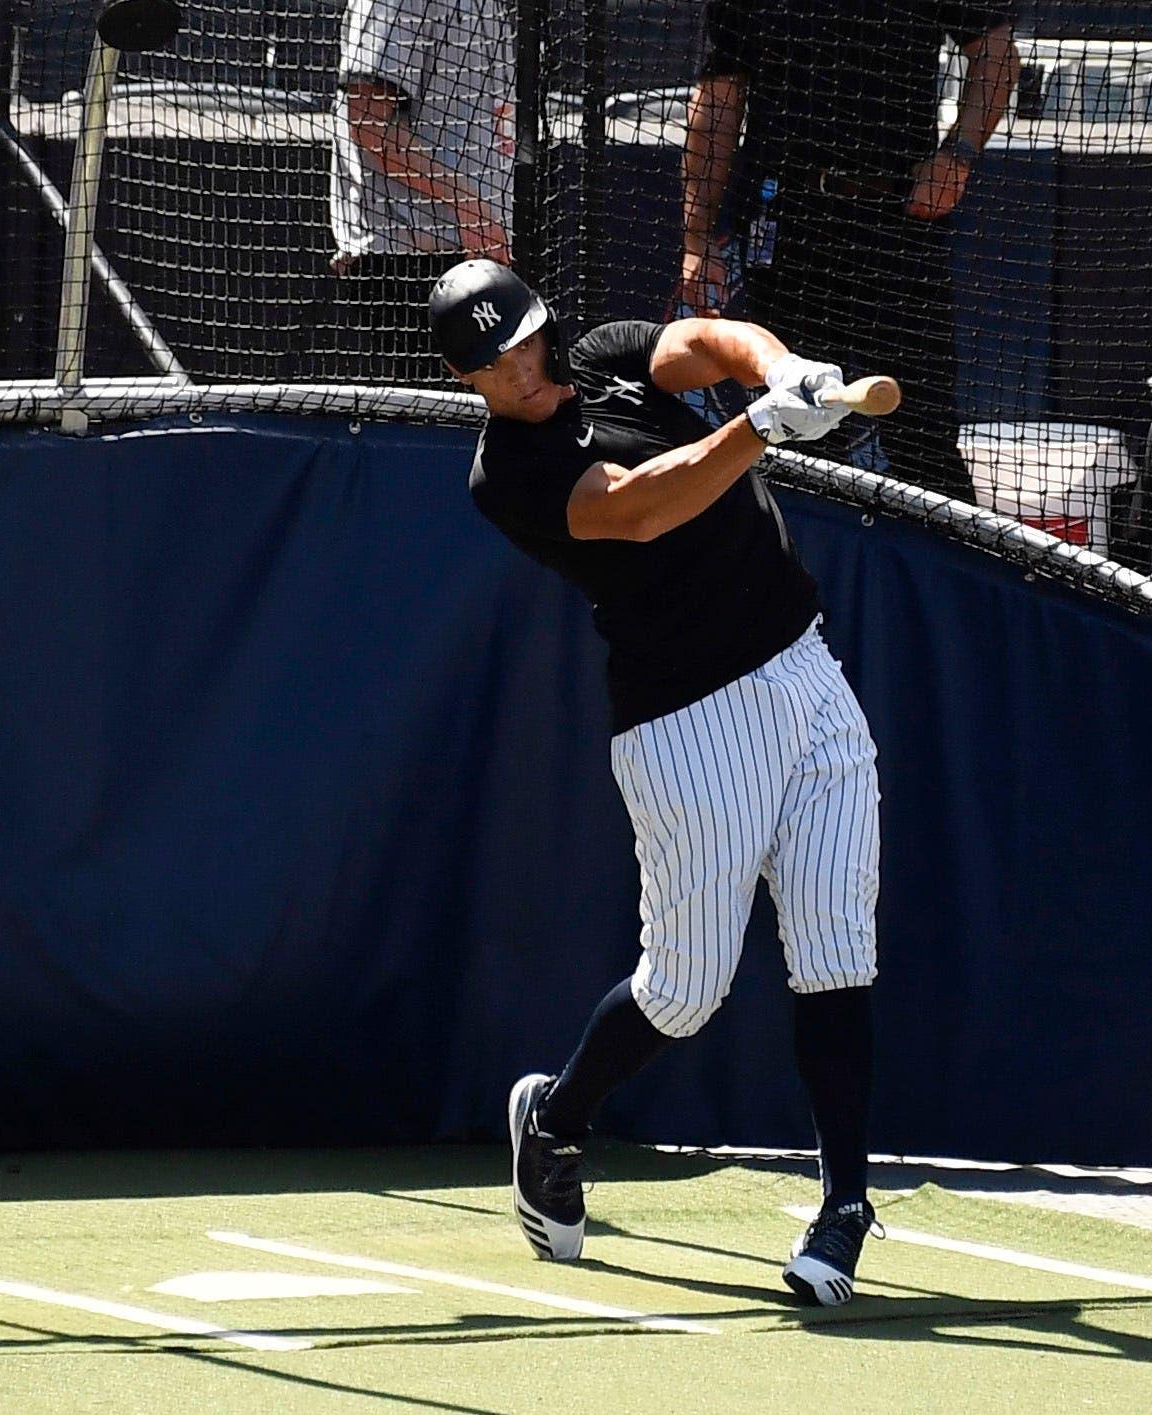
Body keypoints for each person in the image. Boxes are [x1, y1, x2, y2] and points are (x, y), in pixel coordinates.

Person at [433, 259, 885, 1305]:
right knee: (685, 990)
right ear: (469, 378)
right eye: (500, 361)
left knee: (836, 948)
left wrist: (789, 373)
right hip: (688, 720)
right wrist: (760, 431)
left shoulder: (598, 359)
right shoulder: (506, 476)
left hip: (804, 667)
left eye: (531, 339)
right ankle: (553, 1116)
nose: (528, 365)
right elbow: (638, 507)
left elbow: (712, 342)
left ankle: (846, 1205)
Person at [676, 2, 1020, 498]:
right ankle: (797, 572)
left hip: (899, 224)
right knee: (794, 434)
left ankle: (935, 575)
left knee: (923, 438)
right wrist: (697, 237)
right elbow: (717, 102)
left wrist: (958, 155)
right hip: (789, 229)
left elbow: (996, 50)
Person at [318, 0, 513, 385]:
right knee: (439, 426)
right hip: (411, 269)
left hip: (478, 255)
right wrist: (471, 210)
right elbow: (369, 124)